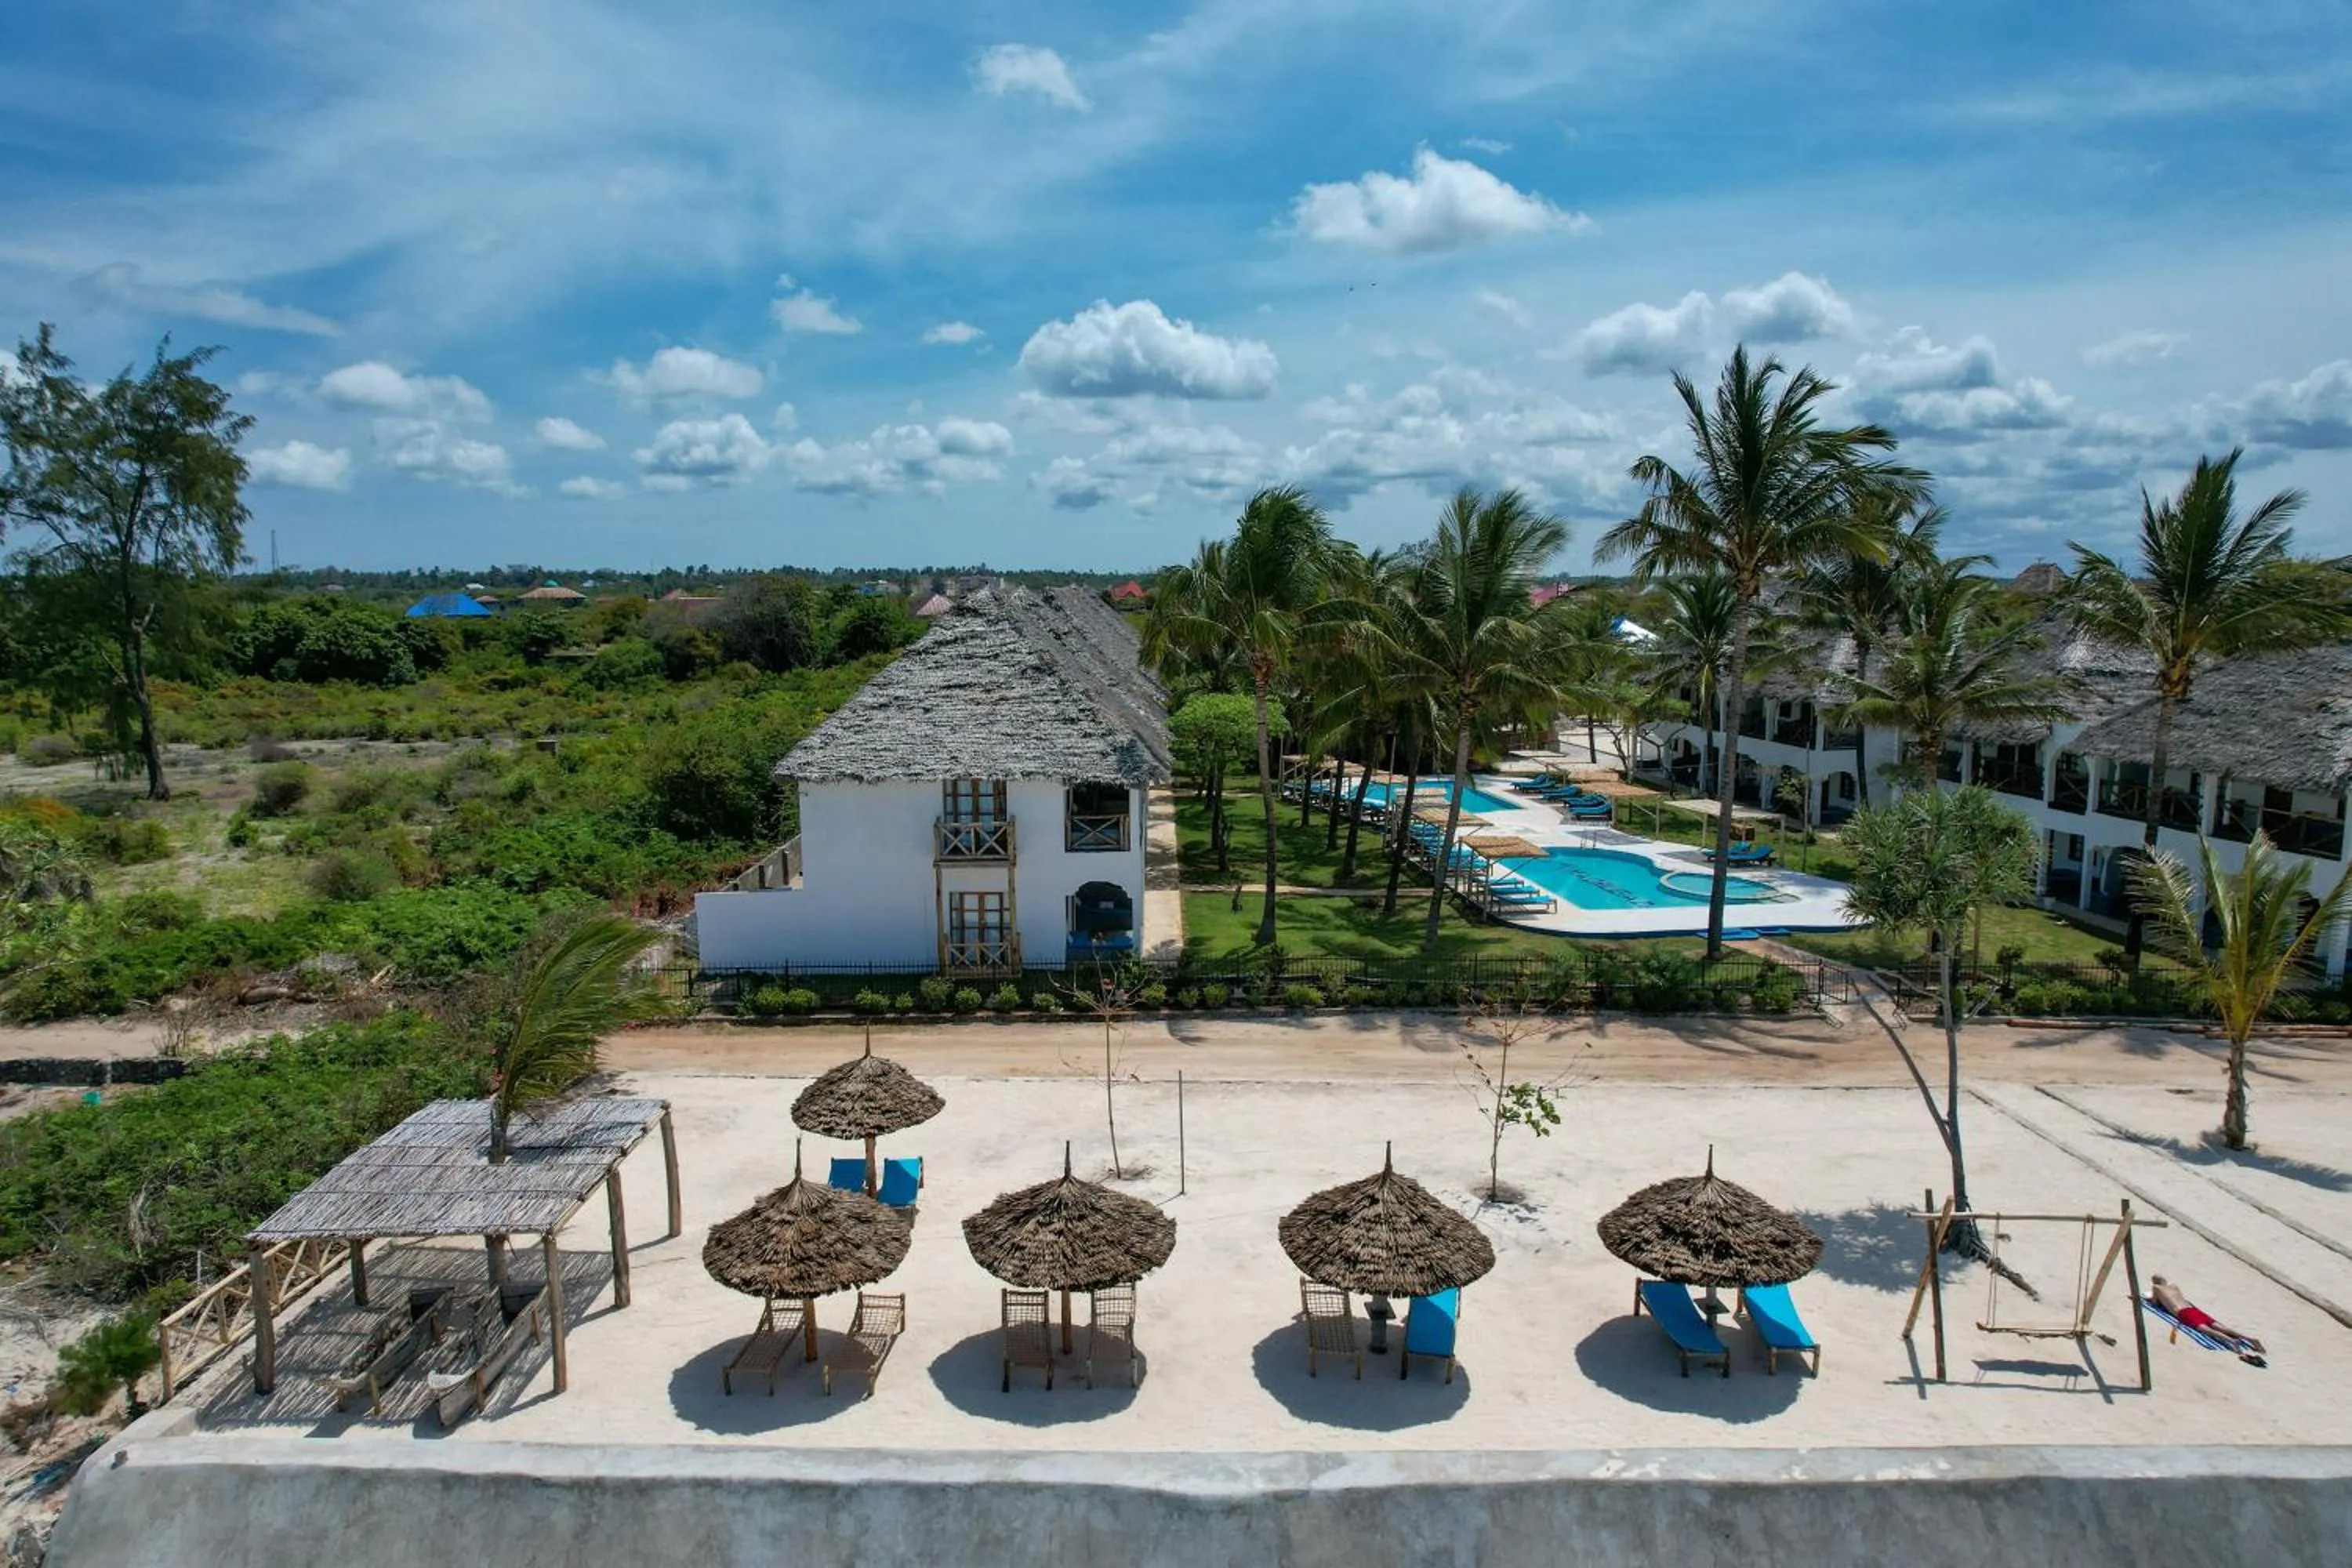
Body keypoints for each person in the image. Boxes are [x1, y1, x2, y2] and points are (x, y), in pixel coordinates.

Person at [2149, 1275, 2267, 1358]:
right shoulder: (2174, 1286)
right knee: (2222, 1328)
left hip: (2183, 1313)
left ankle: (2232, 1341)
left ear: (2155, 1283)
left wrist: (2153, 1300)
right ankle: (2250, 1339)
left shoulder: (2156, 1288)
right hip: (2193, 1309)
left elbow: (2155, 1302)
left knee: (2207, 1330)